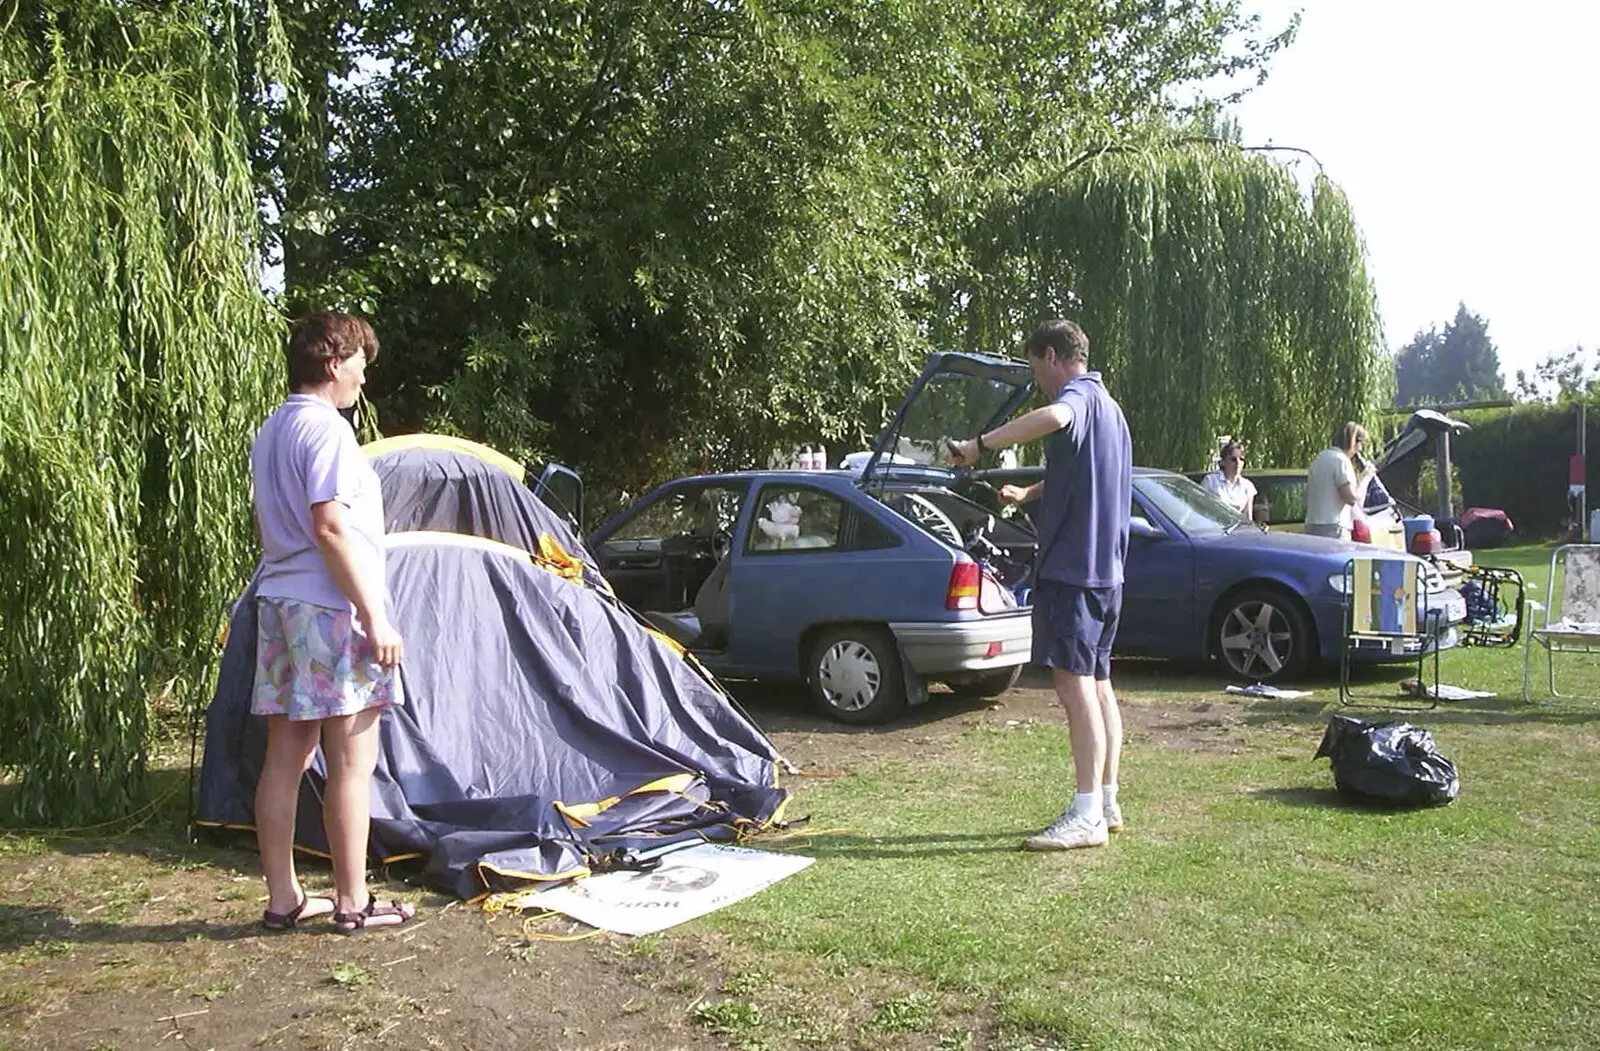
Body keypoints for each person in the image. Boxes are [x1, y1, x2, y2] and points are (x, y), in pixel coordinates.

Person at [250, 311, 415, 934]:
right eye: (359, 367)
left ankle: (284, 898)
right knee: (351, 760)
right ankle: (352, 902)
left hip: (281, 603)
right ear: (333, 362)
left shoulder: (272, 430)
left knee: (285, 758)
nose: (361, 382)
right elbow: (328, 527)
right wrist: (375, 616)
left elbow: (275, 527)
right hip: (332, 610)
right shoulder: (327, 432)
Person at [948, 319, 1132, 851]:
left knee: (1074, 687)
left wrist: (978, 445)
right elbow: (1088, 474)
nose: (1039, 380)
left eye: (1035, 369)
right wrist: (1029, 495)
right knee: (1098, 685)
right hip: (1107, 573)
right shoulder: (1113, 412)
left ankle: (1086, 816)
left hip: (1074, 571)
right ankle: (1107, 798)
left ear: (1052, 357)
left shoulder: (1075, 398)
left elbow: (1054, 415)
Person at [1305, 422, 1375, 540]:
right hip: (1333, 527)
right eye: (1360, 444)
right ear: (1353, 441)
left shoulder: (1320, 458)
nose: (1360, 449)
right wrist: (1367, 478)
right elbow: (1351, 498)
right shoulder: (1341, 461)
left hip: (1312, 524)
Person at [1202, 439, 1256, 521]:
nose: (1238, 463)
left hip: (1236, 531)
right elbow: (1200, 510)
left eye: (1241, 459)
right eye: (1233, 459)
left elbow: (1248, 518)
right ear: (1223, 462)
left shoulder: (1248, 486)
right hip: (1214, 528)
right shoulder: (1211, 481)